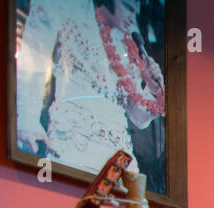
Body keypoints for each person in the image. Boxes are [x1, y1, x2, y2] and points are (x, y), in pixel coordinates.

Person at [16, 0, 164, 175]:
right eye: (128, 6)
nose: (134, 15)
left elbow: (138, 118)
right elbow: (34, 58)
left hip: (119, 159)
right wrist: (27, 117)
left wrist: (152, 89)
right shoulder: (64, 6)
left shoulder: (126, 41)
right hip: (74, 145)